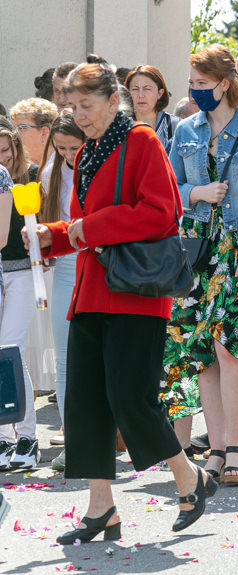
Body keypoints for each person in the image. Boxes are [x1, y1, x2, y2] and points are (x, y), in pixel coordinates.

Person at [29, 62, 216, 542]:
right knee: (86, 402)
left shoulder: (142, 141)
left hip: (136, 294)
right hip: (91, 291)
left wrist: (89, 228)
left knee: (130, 399)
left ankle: (190, 478)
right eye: (72, 107)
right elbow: (79, 227)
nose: (79, 116)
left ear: (114, 101)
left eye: (86, 106)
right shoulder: (88, 152)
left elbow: (162, 213)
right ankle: (101, 509)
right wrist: (42, 237)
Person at [162, 45, 238, 486]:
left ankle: (236, 446)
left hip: (237, 249)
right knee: (203, 353)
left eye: (202, 84)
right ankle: (218, 450)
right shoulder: (184, 130)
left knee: (232, 348)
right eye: (192, 84)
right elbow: (168, 190)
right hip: (195, 250)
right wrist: (197, 194)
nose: (194, 91)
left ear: (225, 84)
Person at [37, 110, 86, 470]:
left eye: (73, 147)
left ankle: (111, 434)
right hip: (67, 266)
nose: (68, 155)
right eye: (61, 148)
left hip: (104, 266)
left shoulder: (102, 165)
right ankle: (75, 437)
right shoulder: (50, 172)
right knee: (65, 358)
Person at [0, 119, 31, 470]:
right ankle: (5, 437)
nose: (2, 157)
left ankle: (27, 435)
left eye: (6, 149)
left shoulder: (29, 175)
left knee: (11, 349)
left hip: (22, 271)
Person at [124, 65, 178, 150]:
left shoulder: (176, 126)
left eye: (147, 89)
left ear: (160, 93)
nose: (140, 95)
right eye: (135, 89)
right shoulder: (121, 127)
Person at [9, 98, 58, 168]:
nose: (14, 135)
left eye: (22, 128)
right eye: (14, 129)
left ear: (44, 133)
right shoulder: (14, 169)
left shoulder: (65, 166)